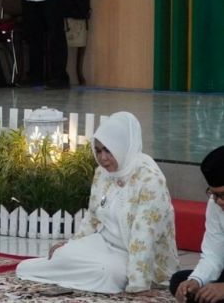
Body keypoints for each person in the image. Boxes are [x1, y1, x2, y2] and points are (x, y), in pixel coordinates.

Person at [16, 112, 178, 294]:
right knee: (61, 255)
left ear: (123, 146)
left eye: (108, 150)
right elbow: (92, 218)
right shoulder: (102, 173)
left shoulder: (150, 180)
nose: (102, 158)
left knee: (108, 273)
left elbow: (144, 237)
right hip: (103, 243)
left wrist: (138, 284)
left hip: (135, 254)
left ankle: (92, 275)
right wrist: (72, 243)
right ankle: (77, 272)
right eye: (98, 151)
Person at [172, 146, 224, 303]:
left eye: (223, 195)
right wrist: (196, 280)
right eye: (214, 194)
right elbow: (213, 255)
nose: (218, 201)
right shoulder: (215, 204)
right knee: (180, 281)